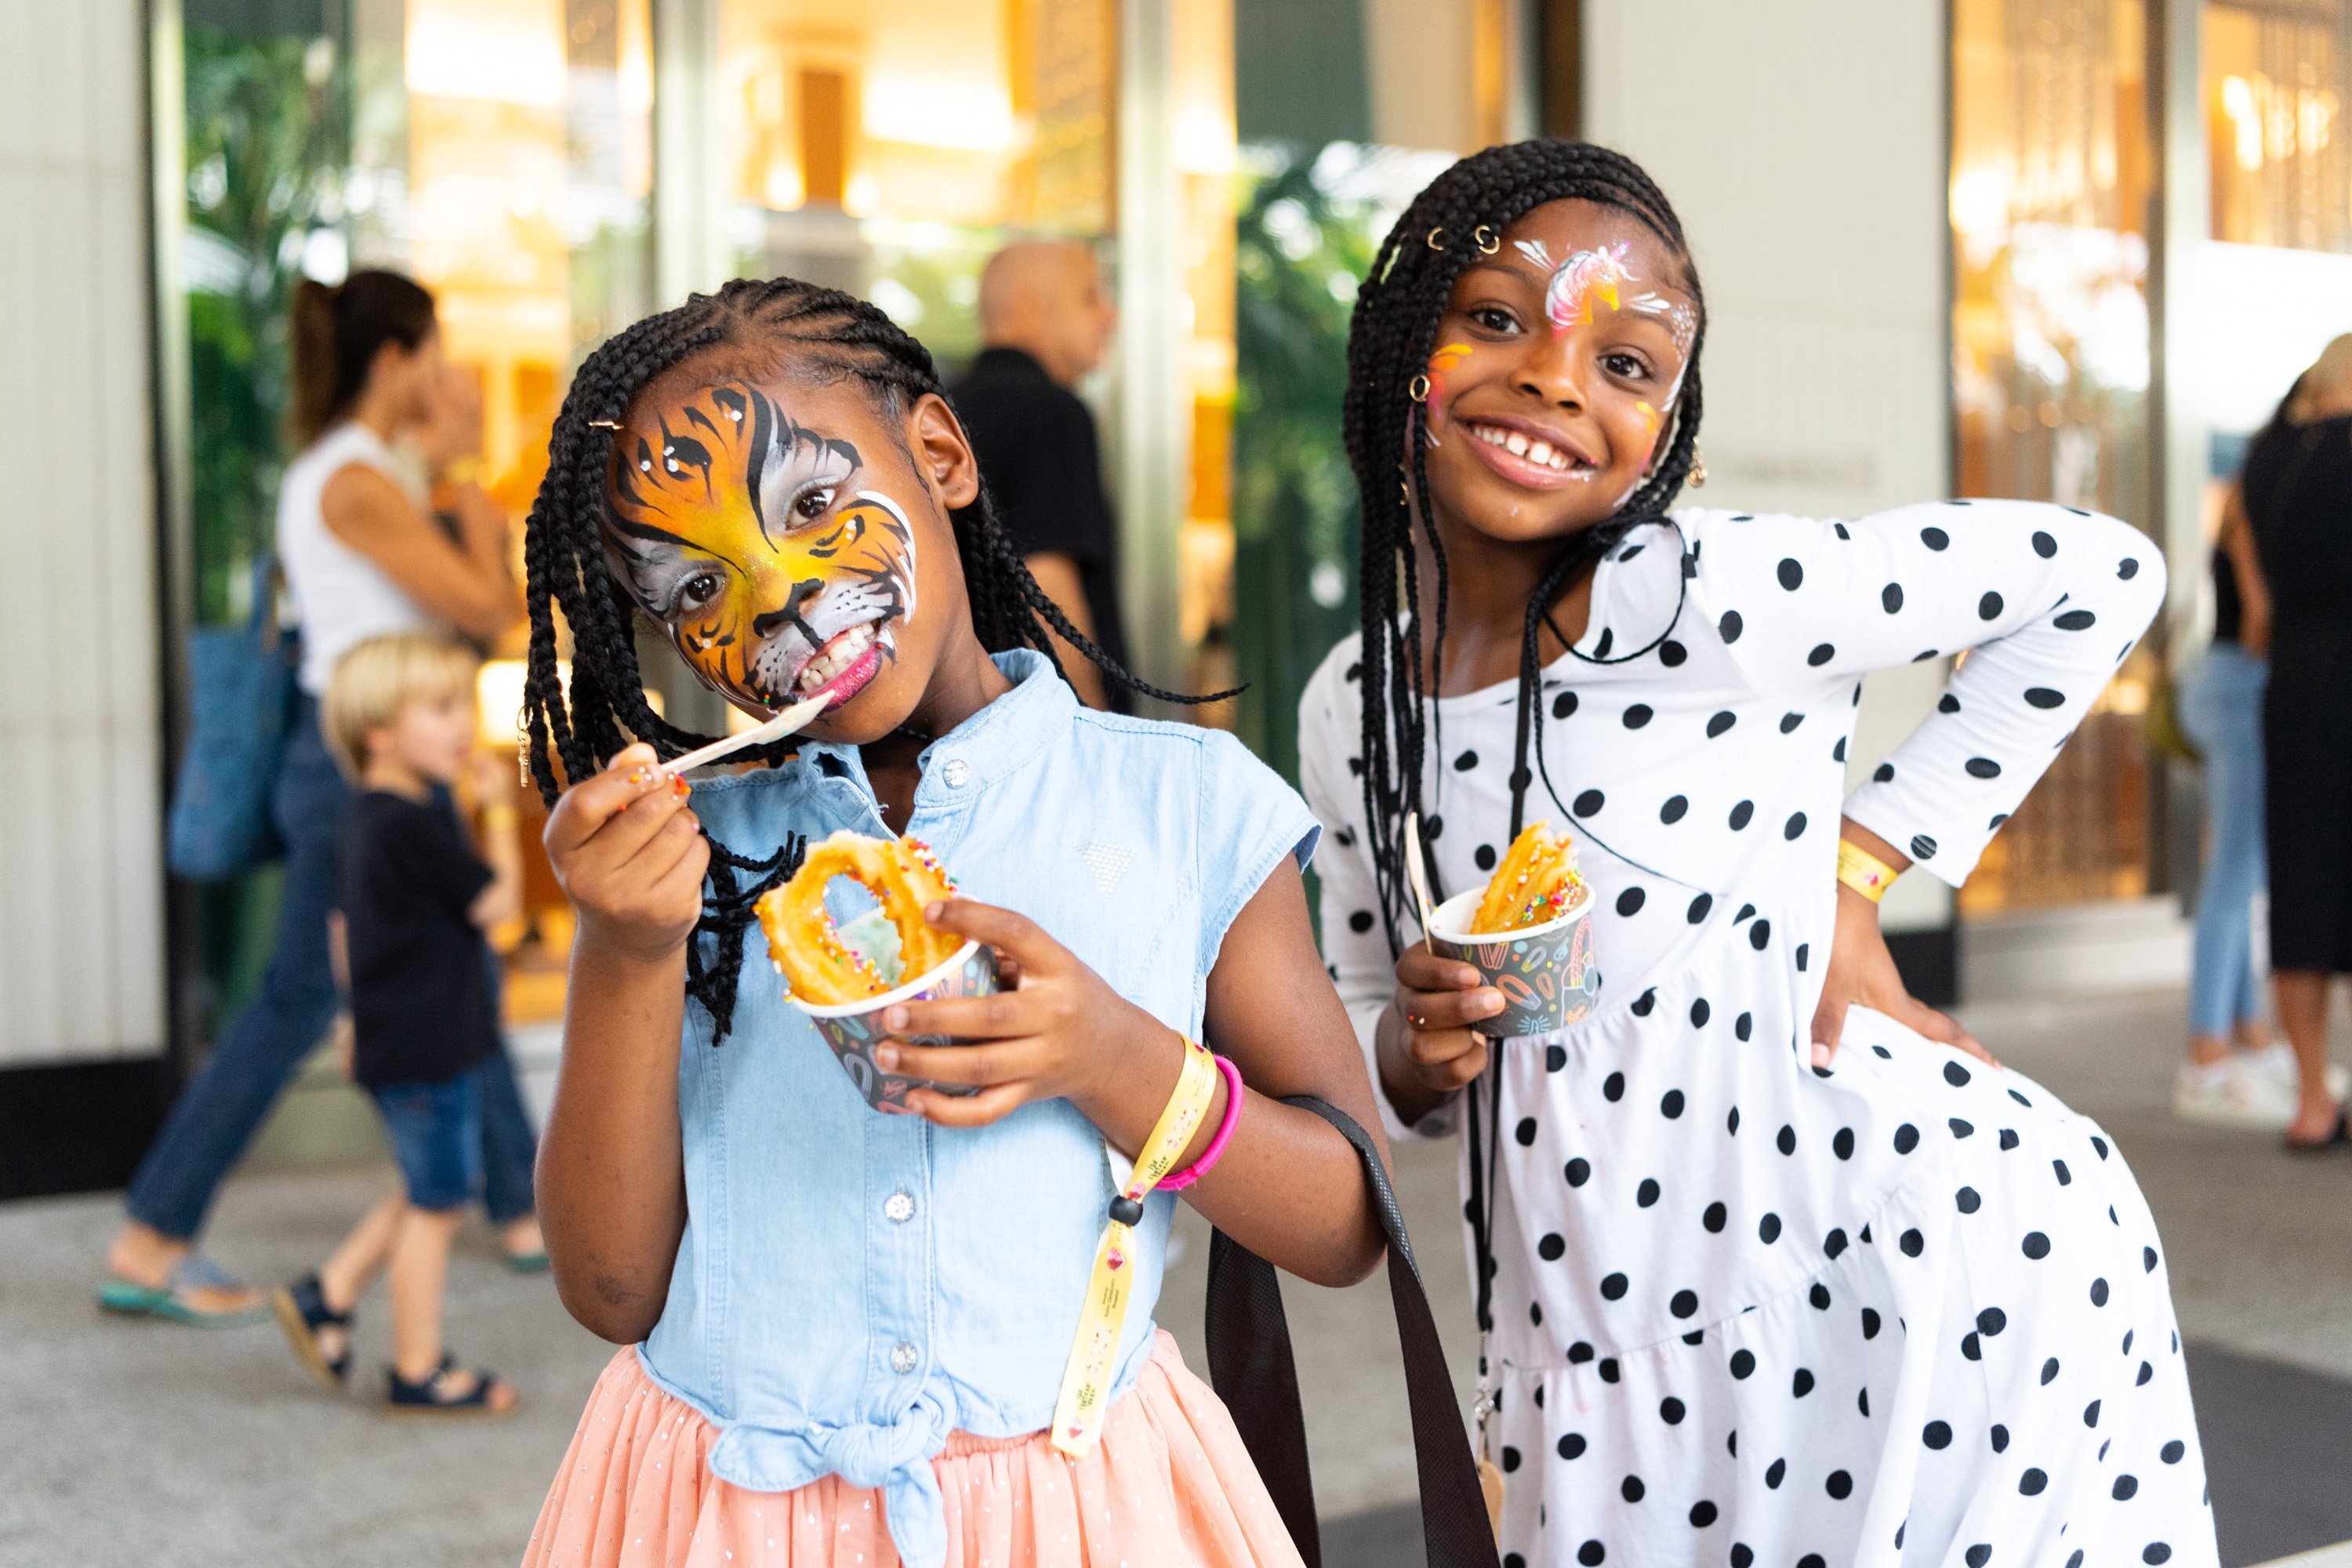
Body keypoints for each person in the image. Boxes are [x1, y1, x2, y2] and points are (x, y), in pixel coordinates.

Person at [1299, 141, 2216, 1568]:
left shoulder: (1705, 595)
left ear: (1672, 429)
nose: (1556, 378)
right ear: (1396, 342)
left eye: (1629, 364)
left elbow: (2103, 576)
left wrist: (1861, 869)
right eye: (1496, 318)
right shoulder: (1349, 705)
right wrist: (1416, 1054)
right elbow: (1359, 1042)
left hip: (1898, 1264)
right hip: (1590, 1333)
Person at [509, 278, 1389, 1568]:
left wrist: (1109, 1058)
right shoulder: (699, 863)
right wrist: (628, 947)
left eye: (813, 505)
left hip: (1080, 1518)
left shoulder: (1184, 809)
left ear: (940, 455)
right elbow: (609, 1288)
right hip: (725, 1524)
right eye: (701, 587)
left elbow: (1349, 1223)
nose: (783, 603)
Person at [101, 270, 539, 1327]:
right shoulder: (354, 480)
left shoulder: (364, 476)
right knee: (298, 999)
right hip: (352, 774)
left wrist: (451, 482)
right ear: (395, 360)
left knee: (458, 976)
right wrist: (465, 472)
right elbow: (489, 609)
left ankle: (523, 1206)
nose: (447, 376)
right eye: (434, 352)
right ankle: (153, 1236)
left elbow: (494, 609)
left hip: (377, 765)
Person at [271, 631, 523, 1416]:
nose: (462, 726)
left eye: (463, 705)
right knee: (439, 1202)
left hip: (402, 1038)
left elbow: (347, 930)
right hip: (428, 1043)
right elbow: (499, 908)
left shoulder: (371, 816)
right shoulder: (413, 822)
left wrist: (356, 1021)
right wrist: (504, 817)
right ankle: (419, 1366)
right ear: (377, 730)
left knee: (429, 1185)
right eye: (441, 708)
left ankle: (329, 1292)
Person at [2245, 336, 2352, 1149]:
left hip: (2295, 681)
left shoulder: (2267, 457)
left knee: (2303, 884)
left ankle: (2313, 1099)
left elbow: (2255, 582)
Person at [950, 238, 1127, 711]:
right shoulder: (1049, 412)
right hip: (1041, 730)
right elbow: (1047, 591)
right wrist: (1090, 737)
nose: (1110, 317)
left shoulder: (941, 411)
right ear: (1028, 307)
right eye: (1090, 296)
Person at [2172, 469, 2299, 1123]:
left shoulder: (2244, 505)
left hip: (2225, 684)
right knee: (2234, 875)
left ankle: (2248, 1037)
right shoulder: (2254, 511)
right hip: (2241, 685)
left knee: (2242, 872)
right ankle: (2206, 1058)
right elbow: (2260, 621)